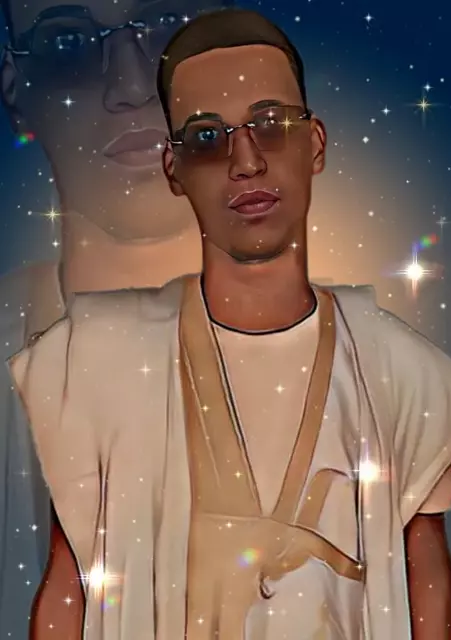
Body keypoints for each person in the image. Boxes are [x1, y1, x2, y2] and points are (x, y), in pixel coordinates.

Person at [8, 8, 451, 639]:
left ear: (315, 143)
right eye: (208, 137)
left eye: (271, 125)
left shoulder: (404, 371)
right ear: (174, 168)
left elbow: (426, 575)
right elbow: (70, 582)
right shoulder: (95, 359)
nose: (246, 161)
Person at [0, 0, 232, 636]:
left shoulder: (390, 396)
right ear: (15, 84)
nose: (131, 87)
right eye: (68, 44)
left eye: (169, 25)